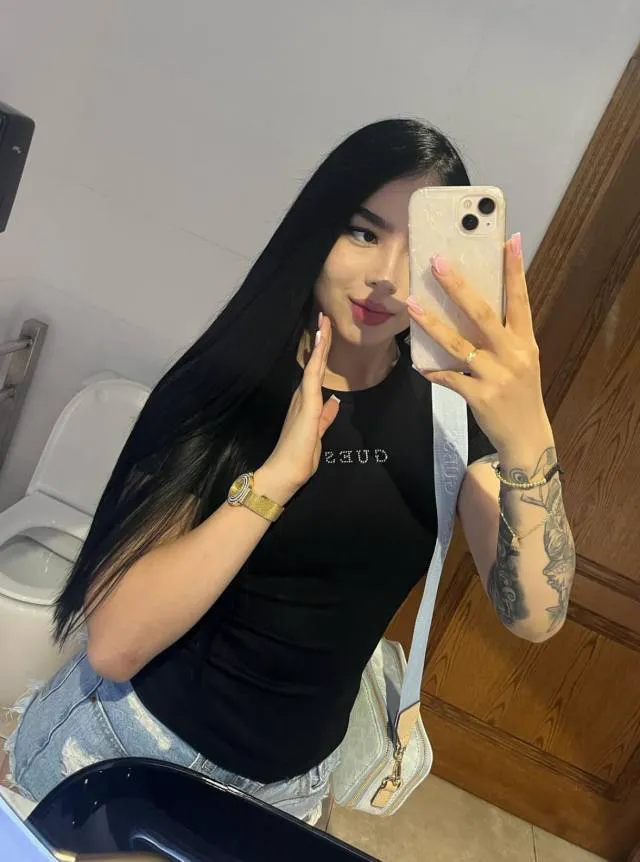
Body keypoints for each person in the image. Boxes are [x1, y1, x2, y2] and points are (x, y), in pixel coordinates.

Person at [4, 118, 573, 825]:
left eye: (417, 249)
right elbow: (115, 645)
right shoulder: (229, 385)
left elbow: (534, 616)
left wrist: (528, 434)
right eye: (362, 232)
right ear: (317, 231)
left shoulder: (451, 417)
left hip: (288, 793)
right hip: (131, 746)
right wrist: (274, 480)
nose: (386, 276)